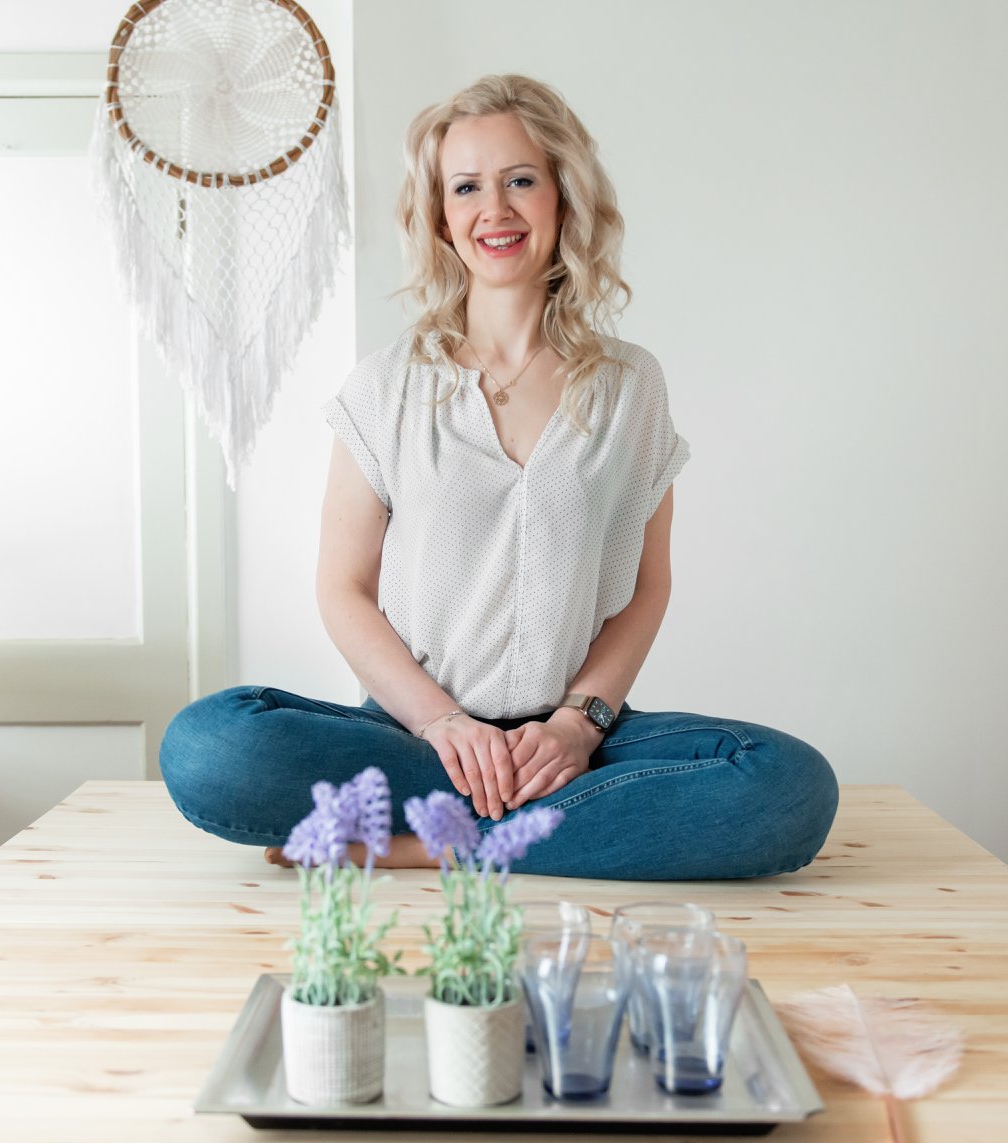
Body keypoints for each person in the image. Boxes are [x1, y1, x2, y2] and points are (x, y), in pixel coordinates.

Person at [159, 74, 838, 880]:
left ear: (562, 197)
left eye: (521, 180)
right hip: (417, 736)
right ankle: (524, 827)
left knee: (789, 788)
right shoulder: (386, 386)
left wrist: (577, 728)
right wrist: (445, 726)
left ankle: (442, 843)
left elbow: (647, 587)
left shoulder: (630, 386)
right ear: (441, 217)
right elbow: (342, 588)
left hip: (575, 739)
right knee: (209, 745)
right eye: (467, 187)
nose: (496, 210)